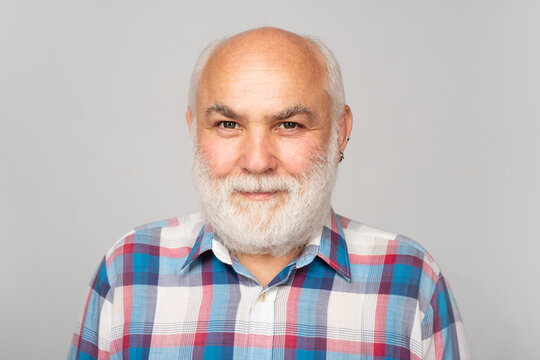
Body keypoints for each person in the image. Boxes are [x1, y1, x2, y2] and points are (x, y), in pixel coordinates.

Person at [68, 27, 469, 359]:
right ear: (194, 131)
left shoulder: (412, 281)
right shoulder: (128, 271)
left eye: (289, 125)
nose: (257, 161)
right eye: (228, 124)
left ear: (340, 131)